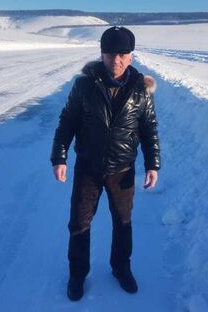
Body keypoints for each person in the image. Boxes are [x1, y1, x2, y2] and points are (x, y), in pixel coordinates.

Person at [50, 26, 161, 301]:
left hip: (122, 170)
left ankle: (121, 268)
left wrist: (152, 164)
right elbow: (67, 122)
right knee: (79, 223)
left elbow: (149, 129)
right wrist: (60, 156)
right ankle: (78, 274)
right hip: (88, 168)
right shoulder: (84, 85)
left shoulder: (141, 90)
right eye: (111, 53)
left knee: (123, 223)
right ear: (102, 54)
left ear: (131, 56)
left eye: (122, 54)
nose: (116, 60)